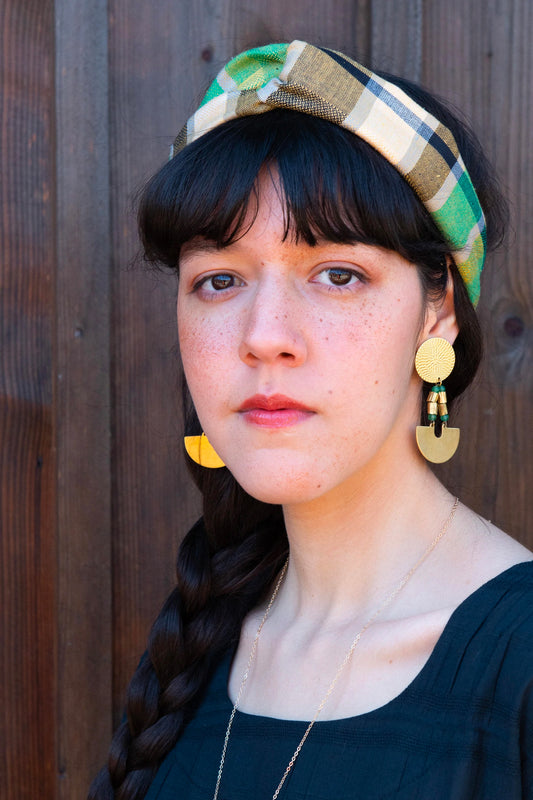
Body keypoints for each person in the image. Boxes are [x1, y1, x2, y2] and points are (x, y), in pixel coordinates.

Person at [89, 41, 533, 800]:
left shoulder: (515, 666)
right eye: (218, 280)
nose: (264, 336)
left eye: (337, 274)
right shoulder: (199, 647)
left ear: (438, 313)